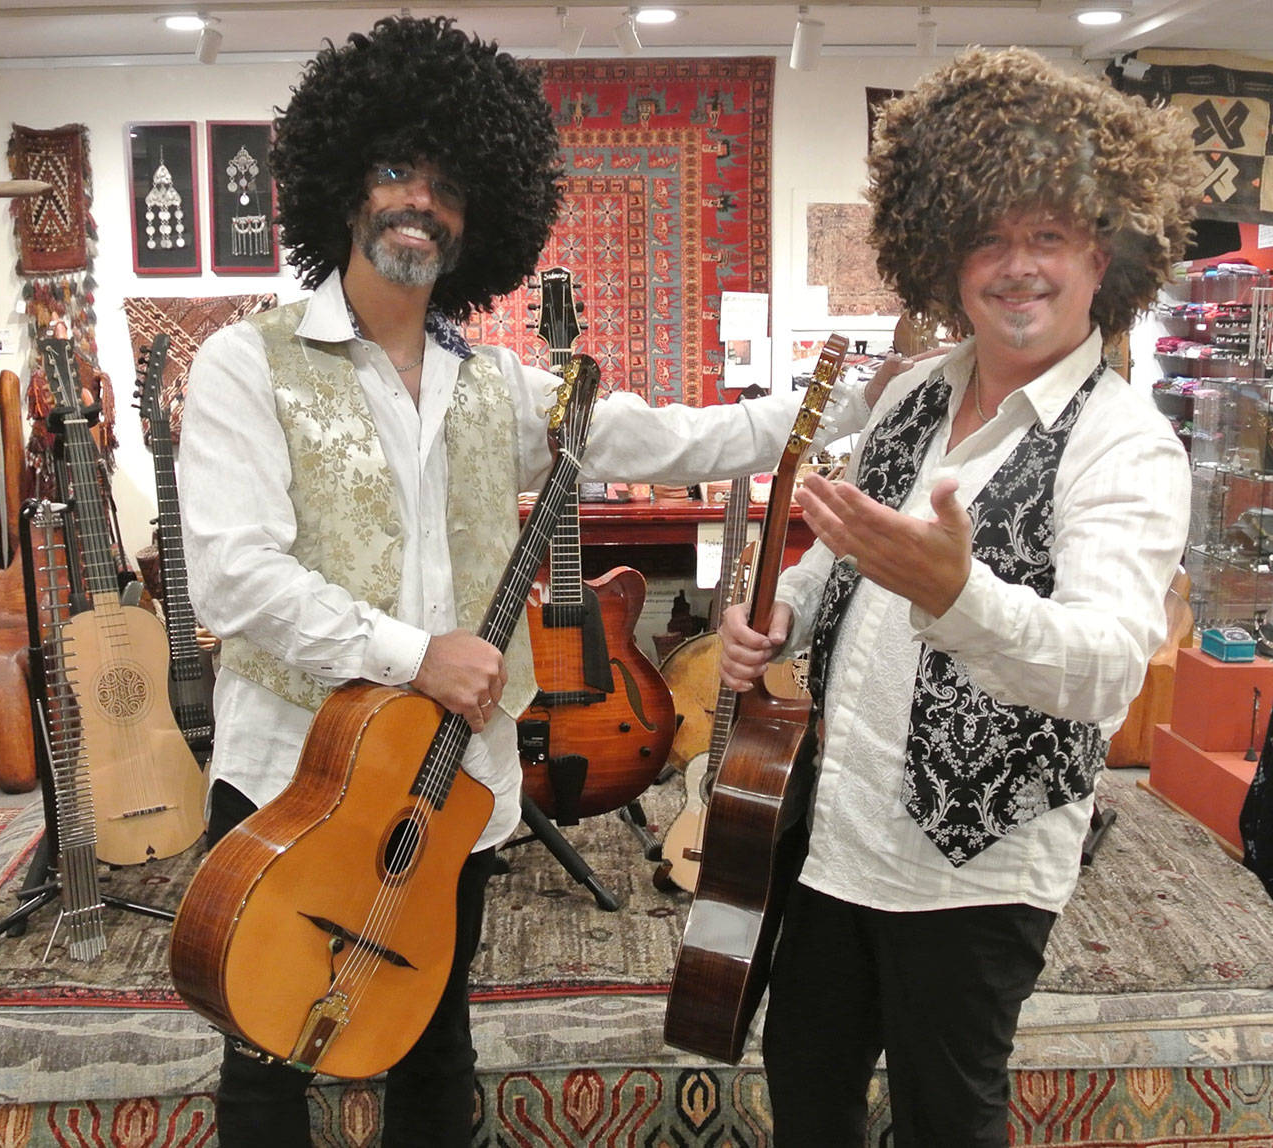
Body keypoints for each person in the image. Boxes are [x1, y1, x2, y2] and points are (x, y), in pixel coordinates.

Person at [176, 15, 857, 1148]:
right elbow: (234, 575)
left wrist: (839, 404)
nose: (420, 202)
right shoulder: (246, 363)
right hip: (291, 777)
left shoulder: (499, 383)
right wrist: (415, 655)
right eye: (397, 170)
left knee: (435, 1041)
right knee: (265, 1060)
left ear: (477, 216)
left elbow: (665, 436)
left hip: (455, 789)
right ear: (343, 181)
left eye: (446, 185)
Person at [718, 46, 1202, 1147]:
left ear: (1102, 253)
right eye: (988, 236)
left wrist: (957, 594)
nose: (1016, 266)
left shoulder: (1126, 448)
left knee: (946, 1116)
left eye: (1046, 235)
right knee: (807, 1090)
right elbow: (835, 548)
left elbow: (1104, 667)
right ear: (943, 255)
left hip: (973, 868)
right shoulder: (913, 392)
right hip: (836, 832)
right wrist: (785, 608)